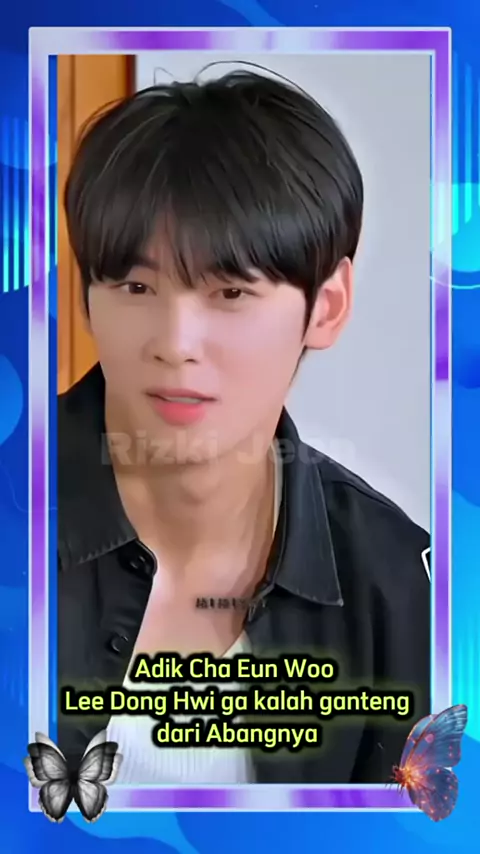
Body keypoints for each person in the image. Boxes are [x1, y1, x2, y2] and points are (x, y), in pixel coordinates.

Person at [57, 69, 430, 785]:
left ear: (326, 307)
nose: (176, 343)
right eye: (136, 286)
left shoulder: (400, 584)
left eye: (229, 291)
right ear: (88, 297)